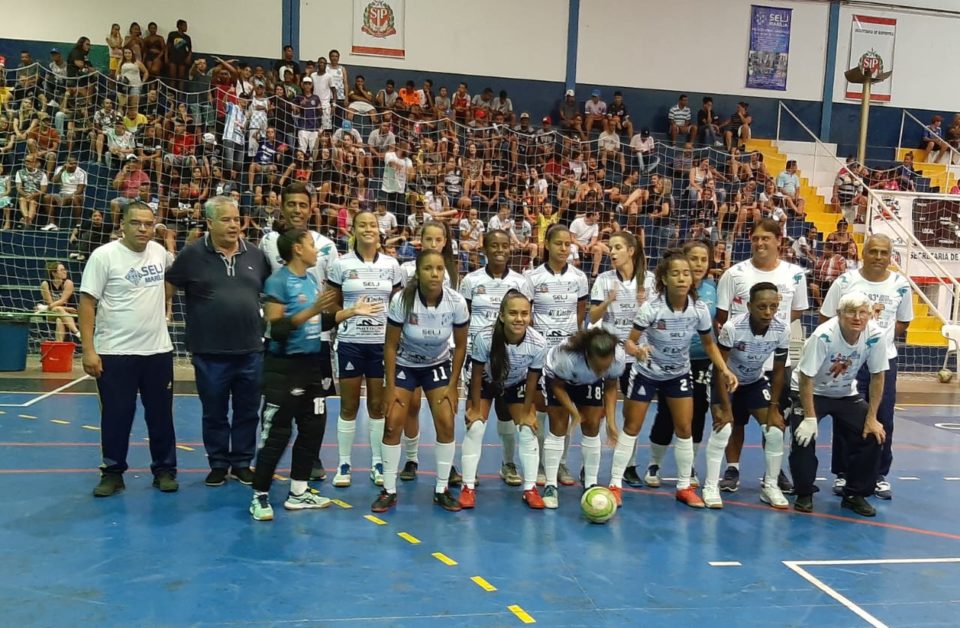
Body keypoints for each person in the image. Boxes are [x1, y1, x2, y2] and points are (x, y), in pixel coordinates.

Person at [609, 250, 738, 508]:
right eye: (675, 273)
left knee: (685, 429)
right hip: (647, 374)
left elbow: (709, 344)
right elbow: (629, 342)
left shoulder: (699, 309)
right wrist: (638, 351)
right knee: (632, 428)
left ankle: (683, 487)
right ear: (664, 279)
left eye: (686, 274)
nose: (682, 278)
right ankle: (614, 484)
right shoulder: (651, 308)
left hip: (678, 373)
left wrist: (724, 369)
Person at [164, 197, 271, 487]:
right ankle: (218, 463)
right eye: (226, 219)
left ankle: (242, 462)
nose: (234, 225)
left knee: (248, 411)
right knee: (214, 412)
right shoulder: (192, 254)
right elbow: (168, 287)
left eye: (237, 219)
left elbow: (271, 293)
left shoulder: (257, 256)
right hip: (209, 351)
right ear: (209, 223)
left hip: (251, 350)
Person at [78, 202, 177, 497]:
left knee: (161, 416)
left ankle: (165, 470)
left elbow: (170, 285)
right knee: (116, 415)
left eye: (148, 223)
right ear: (122, 223)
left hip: (157, 351)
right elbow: (86, 302)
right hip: (115, 352)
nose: (143, 229)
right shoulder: (104, 256)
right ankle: (112, 472)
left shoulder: (160, 253)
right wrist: (88, 350)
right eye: (136, 223)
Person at [250, 229, 339, 521]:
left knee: (313, 429)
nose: (317, 250)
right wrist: (312, 308)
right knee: (276, 434)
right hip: (282, 368)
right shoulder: (277, 282)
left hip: (311, 365)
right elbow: (275, 328)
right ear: (298, 249)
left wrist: (351, 312)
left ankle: (298, 493)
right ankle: (260, 496)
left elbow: (320, 319)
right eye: (313, 245)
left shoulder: (311, 280)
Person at [373, 250, 470, 513]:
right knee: (392, 424)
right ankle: (389, 490)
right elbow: (390, 345)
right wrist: (390, 386)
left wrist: (453, 385)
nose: (435, 273)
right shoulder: (401, 300)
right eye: (428, 268)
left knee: (446, 422)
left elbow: (460, 347)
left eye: (439, 268)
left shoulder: (457, 302)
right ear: (419, 271)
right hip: (405, 364)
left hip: (437, 365)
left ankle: (441, 489)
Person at [715, 219, 808, 493]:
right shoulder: (734, 274)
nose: (760, 243)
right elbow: (722, 315)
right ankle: (732, 469)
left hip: (778, 362)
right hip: (739, 365)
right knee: (736, 419)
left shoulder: (795, 275)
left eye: (766, 238)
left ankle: (775, 471)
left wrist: (769, 332)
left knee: (776, 419)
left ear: (779, 240)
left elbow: (797, 311)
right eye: (755, 238)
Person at [820, 234, 912, 500]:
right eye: (873, 251)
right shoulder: (846, 282)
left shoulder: (900, 285)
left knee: (883, 416)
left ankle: (879, 475)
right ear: (863, 252)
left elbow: (903, 322)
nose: (879, 257)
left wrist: (879, 342)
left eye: (884, 252)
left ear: (890, 255)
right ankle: (843, 473)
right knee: (845, 416)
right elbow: (826, 317)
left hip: (884, 362)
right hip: (848, 360)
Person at [260, 182, 339, 480]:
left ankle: (310, 461)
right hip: (282, 341)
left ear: (311, 208)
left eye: (302, 204)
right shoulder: (268, 241)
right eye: (291, 204)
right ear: (282, 206)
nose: (296, 209)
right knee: (276, 405)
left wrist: (334, 317)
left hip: (316, 340)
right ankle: (265, 458)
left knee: (313, 407)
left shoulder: (324, 245)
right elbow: (268, 286)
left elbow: (331, 291)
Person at [788, 292, 888, 517]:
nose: (857, 317)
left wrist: (871, 418)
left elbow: (878, 376)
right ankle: (804, 492)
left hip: (844, 393)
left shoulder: (875, 336)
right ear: (840, 314)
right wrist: (810, 418)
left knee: (873, 434)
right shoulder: (823, 336)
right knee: (804, 437)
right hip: (809, 391)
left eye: (863, 312)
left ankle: (854, 494)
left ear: (870, 315)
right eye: (851, 312)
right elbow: (806, 377)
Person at [325, 211, 401, 488]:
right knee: (349, 406)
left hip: (382, 346)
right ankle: (344, 463)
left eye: (372, 225)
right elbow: (329, 306)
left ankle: (377, 463)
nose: (368, 229)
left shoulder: (392, 265)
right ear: (353, 230)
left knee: (377, 406)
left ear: (379, 231)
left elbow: (399, 306)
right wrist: (350, 312)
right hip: (350, 343)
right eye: (362, 225)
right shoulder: (341, 265)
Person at [460, 230, 535, 490]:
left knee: (506, 417)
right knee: (475, 418)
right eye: (494, 245)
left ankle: (507, 463)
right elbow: (463, 321)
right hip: (480, 361)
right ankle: (471, 472)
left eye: (505, 245)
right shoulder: (470, 281)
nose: (500, 250)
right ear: (484, 248)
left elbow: (527, 320)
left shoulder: (521, 282)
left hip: (513, 363)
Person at [708, 282, 791, 509]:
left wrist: (774, 407)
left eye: (773, 307)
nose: (767, 312)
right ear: (749, 305)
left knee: (774, 430)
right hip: (727, 381)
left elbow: (779, 370)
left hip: (755, 381)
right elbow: (719, 368)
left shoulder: (782, 329)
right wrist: (725, 408)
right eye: (762, 306)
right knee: (723, 427)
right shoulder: (732, 328)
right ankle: (711, 486)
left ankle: (770, 486)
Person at [640, 241, 716, 489]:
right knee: (665, 412)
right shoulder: (665, 293)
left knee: (698, 412)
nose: (698, 264)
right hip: (667, 363)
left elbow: (716, 326)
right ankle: (654, 463)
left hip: (701, 360)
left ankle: (689, 465)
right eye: (693, 259)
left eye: (703, 259)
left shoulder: (712, 289)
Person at [463, 291, 547, 508]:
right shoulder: (484, 338)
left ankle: (530, 489)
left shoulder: (538, 343)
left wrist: (527, 412)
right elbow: (475, 373)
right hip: (485, 380)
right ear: (501, 316)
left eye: (524, 314)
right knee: (476, 427)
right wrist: (474, 408)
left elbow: (532, 379)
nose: (519, 318)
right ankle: (468, 487)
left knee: (528, 429)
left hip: (516, 382)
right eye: (513, 313)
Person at [524, 224, 589, 487]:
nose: (564, 249)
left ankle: (560, 463)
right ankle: (540, 462)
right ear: (547, 244)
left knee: (564, 407)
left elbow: (580, 314)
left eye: (568, 244)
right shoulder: (532, 277)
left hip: (568, 355)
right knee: (542, 407)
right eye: (559, 243)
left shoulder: (579, 278)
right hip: (542, 352)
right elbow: (526, 316)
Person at [396, 221, 461, 483]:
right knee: (411, 407)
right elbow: (398, 309)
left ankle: (448, 467)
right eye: (429, 239)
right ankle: (411, 459)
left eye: (439, 239)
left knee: (443, 412)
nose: (434, 244)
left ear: (445, 241)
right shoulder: (406, 270)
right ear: (419, 240)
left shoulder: (452, 272)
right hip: (409, 350)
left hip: (440, 352)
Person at [588, 231, 654, 484]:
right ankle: (590, 466)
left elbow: (656, 316)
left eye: (617, 247)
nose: (612, 252)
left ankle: (630, 464)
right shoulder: (604, 279)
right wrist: (607, 302)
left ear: (631, 251)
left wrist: (644, 303)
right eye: (610, 248)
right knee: (599, 411)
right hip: (611, 349)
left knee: (633, 412)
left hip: (638, 351)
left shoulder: (649, 281)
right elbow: (592, 317)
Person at [542, 328, 625, 508]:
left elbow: (610, 386)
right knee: (558, 428)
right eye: (598, 367)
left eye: (606, 367)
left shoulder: (617, 357)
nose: (602, 371)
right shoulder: (567, 357)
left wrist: (611, 422)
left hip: (588, 381)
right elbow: (557, 386)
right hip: (560, 380)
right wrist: (573, 412)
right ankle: (550, 485)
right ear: (587, 355)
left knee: (593, 426)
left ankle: (591, 483)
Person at [39, 262, 80, 341]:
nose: (65, 271)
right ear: (54, 273)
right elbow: (51, 305)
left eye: (65, 269)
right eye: (61, 270)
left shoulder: (68, 283)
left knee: (59, 320)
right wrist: (66, 309)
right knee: (59, 310)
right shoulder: (45, 284)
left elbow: (63, 300)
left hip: (69, 313)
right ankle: (77, 332)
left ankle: (58, 346)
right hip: (52, 312)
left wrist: (47, 307)